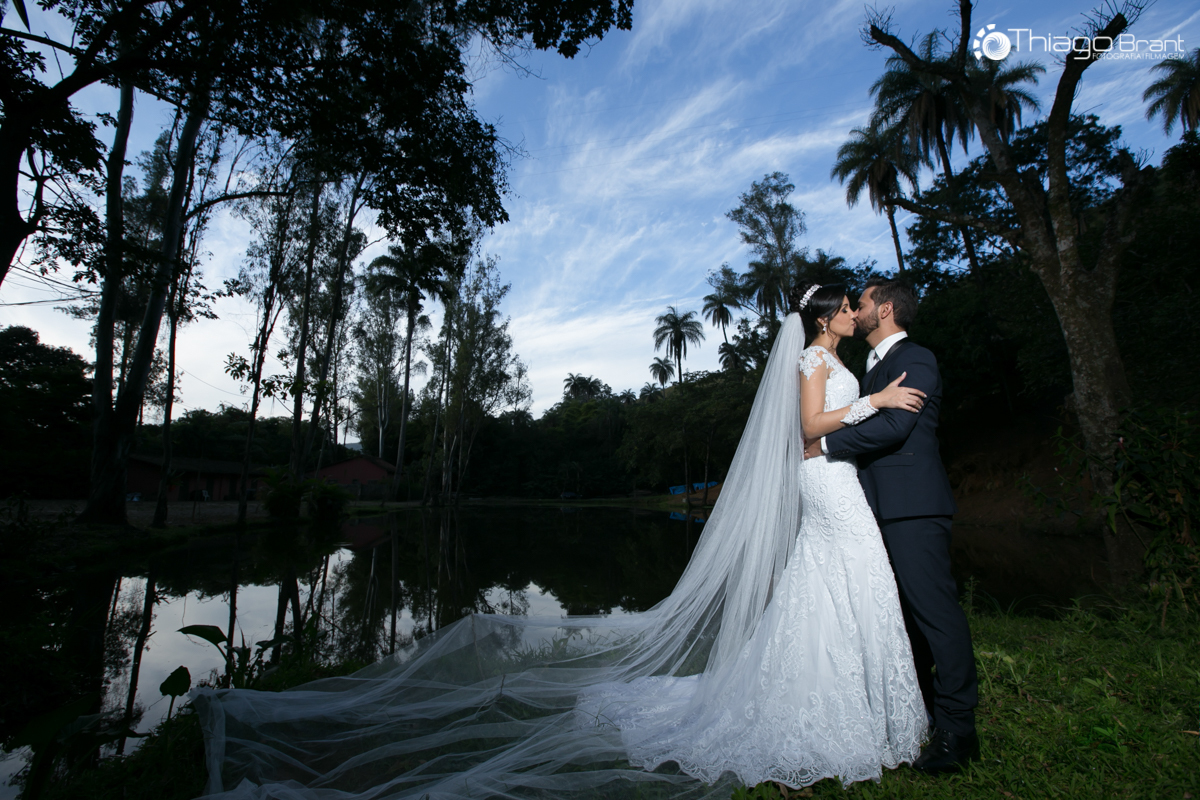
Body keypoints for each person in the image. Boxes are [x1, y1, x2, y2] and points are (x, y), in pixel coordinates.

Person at [191, 285, 931, 799]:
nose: (851, 310)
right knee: (832, 584)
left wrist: (866, 400)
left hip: (838, 486)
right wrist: (873, 401)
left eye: (854, 304)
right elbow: (807, 429)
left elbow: (837, 428)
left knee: (835, 588)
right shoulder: (814, 362)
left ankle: (858, 704)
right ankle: (827, 711)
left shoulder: (842, 361)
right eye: (843, 304)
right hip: (826, 484)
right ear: (826, 317)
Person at [810, 276, 980, 774]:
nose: (855, 310)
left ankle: (958, 732)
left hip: (914, 507)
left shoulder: (916, 358)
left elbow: (894, 426)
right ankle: (921, 711)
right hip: (875, 510)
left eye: (860, 303)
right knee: (903, 619)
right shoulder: (871, 370)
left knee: (936, 615)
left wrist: (821, 446)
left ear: (883, 310)